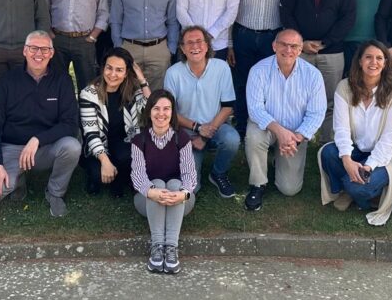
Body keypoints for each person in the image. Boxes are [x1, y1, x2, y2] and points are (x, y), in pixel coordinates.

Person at [0, 31, 82, 217]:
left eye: (44, 49)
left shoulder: (62, 80)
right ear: (24, 51)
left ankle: (55, 193)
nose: (39, 54)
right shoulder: (7, 80)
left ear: (51, 53)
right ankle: (19, 180)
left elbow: (70, 124)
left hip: (45, 148)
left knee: (72, 146)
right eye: (33, 48)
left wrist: (37, 139)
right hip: (12, 148)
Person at [279, 0, 357, 142]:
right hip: (300, 51)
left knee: (330, 100)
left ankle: (325, 143)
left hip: (332, 51)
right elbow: (286, 11)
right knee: (297, 98)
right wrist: (300, 43)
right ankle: (297, 139)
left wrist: (326, 42)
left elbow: (348, 17)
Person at [319, 40, 392, 217]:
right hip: (356, 149)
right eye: (368, 57)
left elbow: (390, 139)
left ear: (385, 63)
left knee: (358, 187)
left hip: (385, 155)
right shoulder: (345, 87)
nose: (373, 62)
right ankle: (352, 188)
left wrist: (368, 167)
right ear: (360, 61)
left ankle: (354, 190)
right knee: (327, 153)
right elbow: (341, 129)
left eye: (379, 58)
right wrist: (347, 160)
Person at [244, 29, 327, 211]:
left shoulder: (313, 75)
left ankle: (277, 159)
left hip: (295, 134)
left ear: (300, 50)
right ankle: (258, 184)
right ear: (274, 46)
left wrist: (297, 137)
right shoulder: (258, 70)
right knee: (254, 136)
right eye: (283, 44)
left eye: (294, 46)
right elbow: (255, 109)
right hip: (266, 127)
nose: (288, 50)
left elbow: (316, 113)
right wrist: (280, 132)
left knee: (289, 189)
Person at [229, 0, 292, 139]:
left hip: (272, 38)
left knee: (270, 85)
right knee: (243, 82)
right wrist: (230, 44)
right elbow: (231, 9)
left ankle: (268, 130)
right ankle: (242, 126)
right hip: (244, 36)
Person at [164, 26, 241, 198]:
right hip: (186, 131)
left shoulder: (221, 67)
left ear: (207, 46)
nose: (195, 46)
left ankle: (218, 173)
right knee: (191, 188)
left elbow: (228, 106)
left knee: (232, 139)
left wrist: (205, 136)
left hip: (216, 126)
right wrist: (197, 128)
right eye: (189, 43)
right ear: (182, 48)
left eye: (199, 41)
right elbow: (169, 112)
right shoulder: (173, 73)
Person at [131, 89, 197, 274]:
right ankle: (157, 247)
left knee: (176, 184)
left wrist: (183, 194)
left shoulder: (182, 138)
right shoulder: (139, 140)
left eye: (166, 108)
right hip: (147, 201)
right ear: (149, 112)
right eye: (156, 108)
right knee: (158, 183)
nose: (161, 113)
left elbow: (189, 173)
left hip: (181, 201)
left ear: (172, 112)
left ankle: (171, 248)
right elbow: (138, 175)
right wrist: (152, 192)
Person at [79, 48, 151, 196]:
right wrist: (105, 162)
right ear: (103, 68)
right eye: (109, 68)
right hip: (98, 146)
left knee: (126, 157)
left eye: (119, 70)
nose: (112, 74)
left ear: (126, 73)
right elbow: (91, 134)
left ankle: (119, 177)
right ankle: (109, 174)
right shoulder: (89, 94)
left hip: (123, 143)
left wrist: (142, 81)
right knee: (97, 175)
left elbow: (151, 110)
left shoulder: (132, 91)